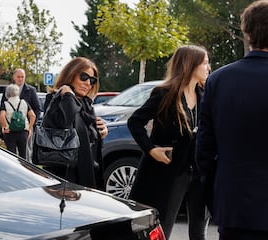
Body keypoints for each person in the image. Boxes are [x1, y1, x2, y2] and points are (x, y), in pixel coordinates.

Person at [195, 1, 268, 239]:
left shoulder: (218, 80)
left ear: (246, 33)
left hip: (235, 208)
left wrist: (216, 200)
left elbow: (204, 152)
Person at [127, 45, 211, 240]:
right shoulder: (164, 94)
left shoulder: (205, 96)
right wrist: (151, 149)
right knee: (163, 227)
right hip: (170, 171)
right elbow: (135, 122)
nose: (208, 68)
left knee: (199, 231)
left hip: (197, 172)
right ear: (191, 65)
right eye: (205, 63)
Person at [41, 57, 108, 188]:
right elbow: (63, 123)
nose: (88, 83)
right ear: (71, 74)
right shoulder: (56, 101)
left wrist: (100, 132)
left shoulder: (86, 105)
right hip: (66, 177)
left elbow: (88, 140)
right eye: (84, 77)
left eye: (92, 80)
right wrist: (68, 95)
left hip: (89, 173)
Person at [0, 84, 36, 159]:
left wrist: (5, 127)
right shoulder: (24, 102)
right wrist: (29, 128)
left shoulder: (5, 104)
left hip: (10, 133)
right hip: (23, 132)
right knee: (23, 155)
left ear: (7, 93)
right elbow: (33, 115)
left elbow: (2, 116)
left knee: (11, 155)